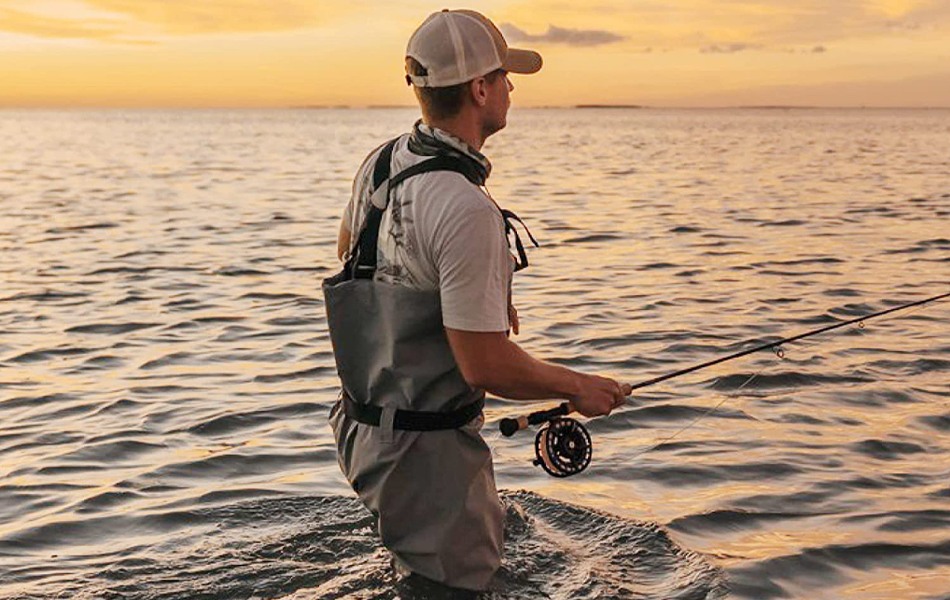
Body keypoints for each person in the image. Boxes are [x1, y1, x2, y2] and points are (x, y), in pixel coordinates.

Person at [323, 9, 629, 592]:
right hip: (424, 453)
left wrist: (467, 300)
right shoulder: (464, 207)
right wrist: (577, 386)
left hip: (362, 428)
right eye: (504, 76)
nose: (512, 88)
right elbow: (483, 366)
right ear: (479, 88)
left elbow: (353, 255)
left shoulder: (383, 162)